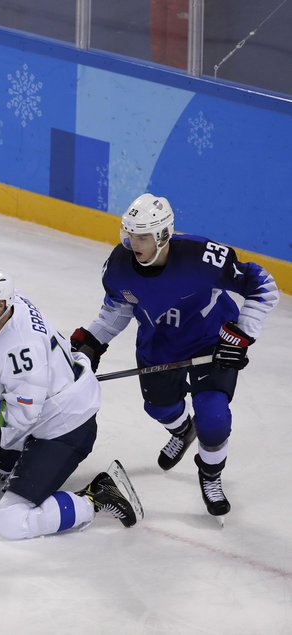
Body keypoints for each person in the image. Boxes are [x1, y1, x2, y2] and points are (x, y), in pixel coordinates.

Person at [70, 193, 279, 518]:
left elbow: (262, 285)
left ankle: (210, 475)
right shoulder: (120, 266)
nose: (132, 242)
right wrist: (92, 342)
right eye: (129, 233)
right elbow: (117, 310)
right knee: (160, 409)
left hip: (211, 343)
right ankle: (183, 431)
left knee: (214, 418)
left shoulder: (203, 258)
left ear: (163, 235)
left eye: (142, 236)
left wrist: (241, 335)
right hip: (158, 344)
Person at [0, 265, 143, 539]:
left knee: (10, 520)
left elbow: (21, 416)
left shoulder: (22, 350)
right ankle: (26, 468)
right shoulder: (10, 305)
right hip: (45, 404)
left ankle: (96, 496)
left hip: (65, 427)